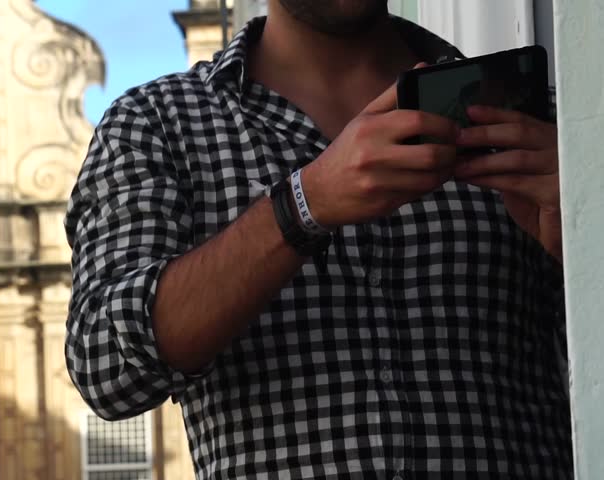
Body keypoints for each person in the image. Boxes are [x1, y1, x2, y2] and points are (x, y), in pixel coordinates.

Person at [65, 1, 568, 478]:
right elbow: (106, 369)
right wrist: (304, 204)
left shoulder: (532, 117)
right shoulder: (156, 125)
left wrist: (580, 240)